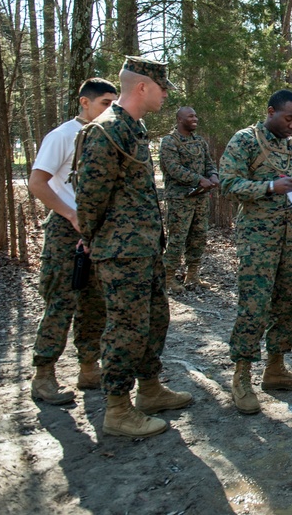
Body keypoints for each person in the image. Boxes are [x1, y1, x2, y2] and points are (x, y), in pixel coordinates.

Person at [75, 57, 192, 438]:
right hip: (120, 253)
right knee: (126, 329)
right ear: (142, 87)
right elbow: (90, 198)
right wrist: (93, 239)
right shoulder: (105, 131)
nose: (166, 95)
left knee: (154, 322)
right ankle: (117, 408)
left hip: (144, 250)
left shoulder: (134, 128)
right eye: (162, 88)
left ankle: (150, 389)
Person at [219, 89, 292, 415]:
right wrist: (267, 187)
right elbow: (228, 183)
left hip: (289, 236)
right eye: (288, 118)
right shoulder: (246, 141)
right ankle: (242, 376)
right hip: (256, 238)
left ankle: (276, 367)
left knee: (291, 299)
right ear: (270, 112)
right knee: (254, 304)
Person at [27, 77, 117, 405]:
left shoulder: (106, 137)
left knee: (94, 305)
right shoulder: (64, 135)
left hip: (98, 234)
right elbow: (37, 183)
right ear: (85, 102)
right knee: (61, 303)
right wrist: (70, 214)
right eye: (105, 104)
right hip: (66, 234)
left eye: (113, 104)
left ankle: (89, 367)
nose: (110, 110)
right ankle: (44, 375)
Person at [159, 106, 219, 294]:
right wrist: (198, 179)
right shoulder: (170, 142)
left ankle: (192, 275)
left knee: (199, 237)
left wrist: (214, 175)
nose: (195, 118)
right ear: (179, 119)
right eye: (190, 116)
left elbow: (209, 162)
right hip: (179, 199)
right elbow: (173, 168)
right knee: (177, 238)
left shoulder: (199, 141)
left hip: (200, 198)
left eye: (196, 115)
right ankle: (168, 278)